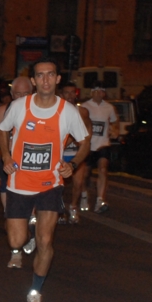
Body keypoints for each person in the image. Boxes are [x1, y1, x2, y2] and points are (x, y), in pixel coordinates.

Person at [0, 57, 89, 302]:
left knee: (46, 241)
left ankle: (35, 292)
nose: (46, 80)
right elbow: (3, 130)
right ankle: (27, 227)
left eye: (51, 75)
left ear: (58, 79)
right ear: (34, 80)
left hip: (51, 184)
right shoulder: (19, 106)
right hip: (18, 183)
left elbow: (85, 142)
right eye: (41, 75)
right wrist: (6, 156)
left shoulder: (67, 111)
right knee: (16, 240)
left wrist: (73, 164)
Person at [0, 76, 33, 267]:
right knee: (10, 212)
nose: (22, 97)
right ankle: (15, 253)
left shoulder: (40, 112)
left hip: (32, 168)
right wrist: (6, 147)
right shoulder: (4, 111)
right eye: (18, 94)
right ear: (12, 95)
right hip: (8, 167)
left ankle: (28, 233)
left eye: (26, 94)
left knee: (29, 214)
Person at [81, 81, 119, 213]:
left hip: (103, 144)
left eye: (101, 91)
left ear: (104, 93)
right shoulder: (85, 107)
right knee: (85, 173)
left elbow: (115, 122)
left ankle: (100, 200)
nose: (99, 94)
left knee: (103, 169)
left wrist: (115, 130)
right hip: (88, 145)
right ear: (92, 92)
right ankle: (84, 195)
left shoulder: (109, 108)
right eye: (96, 91)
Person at [61, 82, 92, 223]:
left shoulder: (83, 112)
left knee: (78, 182)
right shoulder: (56, 111)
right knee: (58, 184)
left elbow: (87, 133)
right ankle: (60, 209)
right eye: (67, 92)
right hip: (60, 154)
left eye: (72, 92)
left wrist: (82, 143)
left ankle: (73, 206)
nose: (70, 95)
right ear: (61, 94)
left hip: (76, 153)